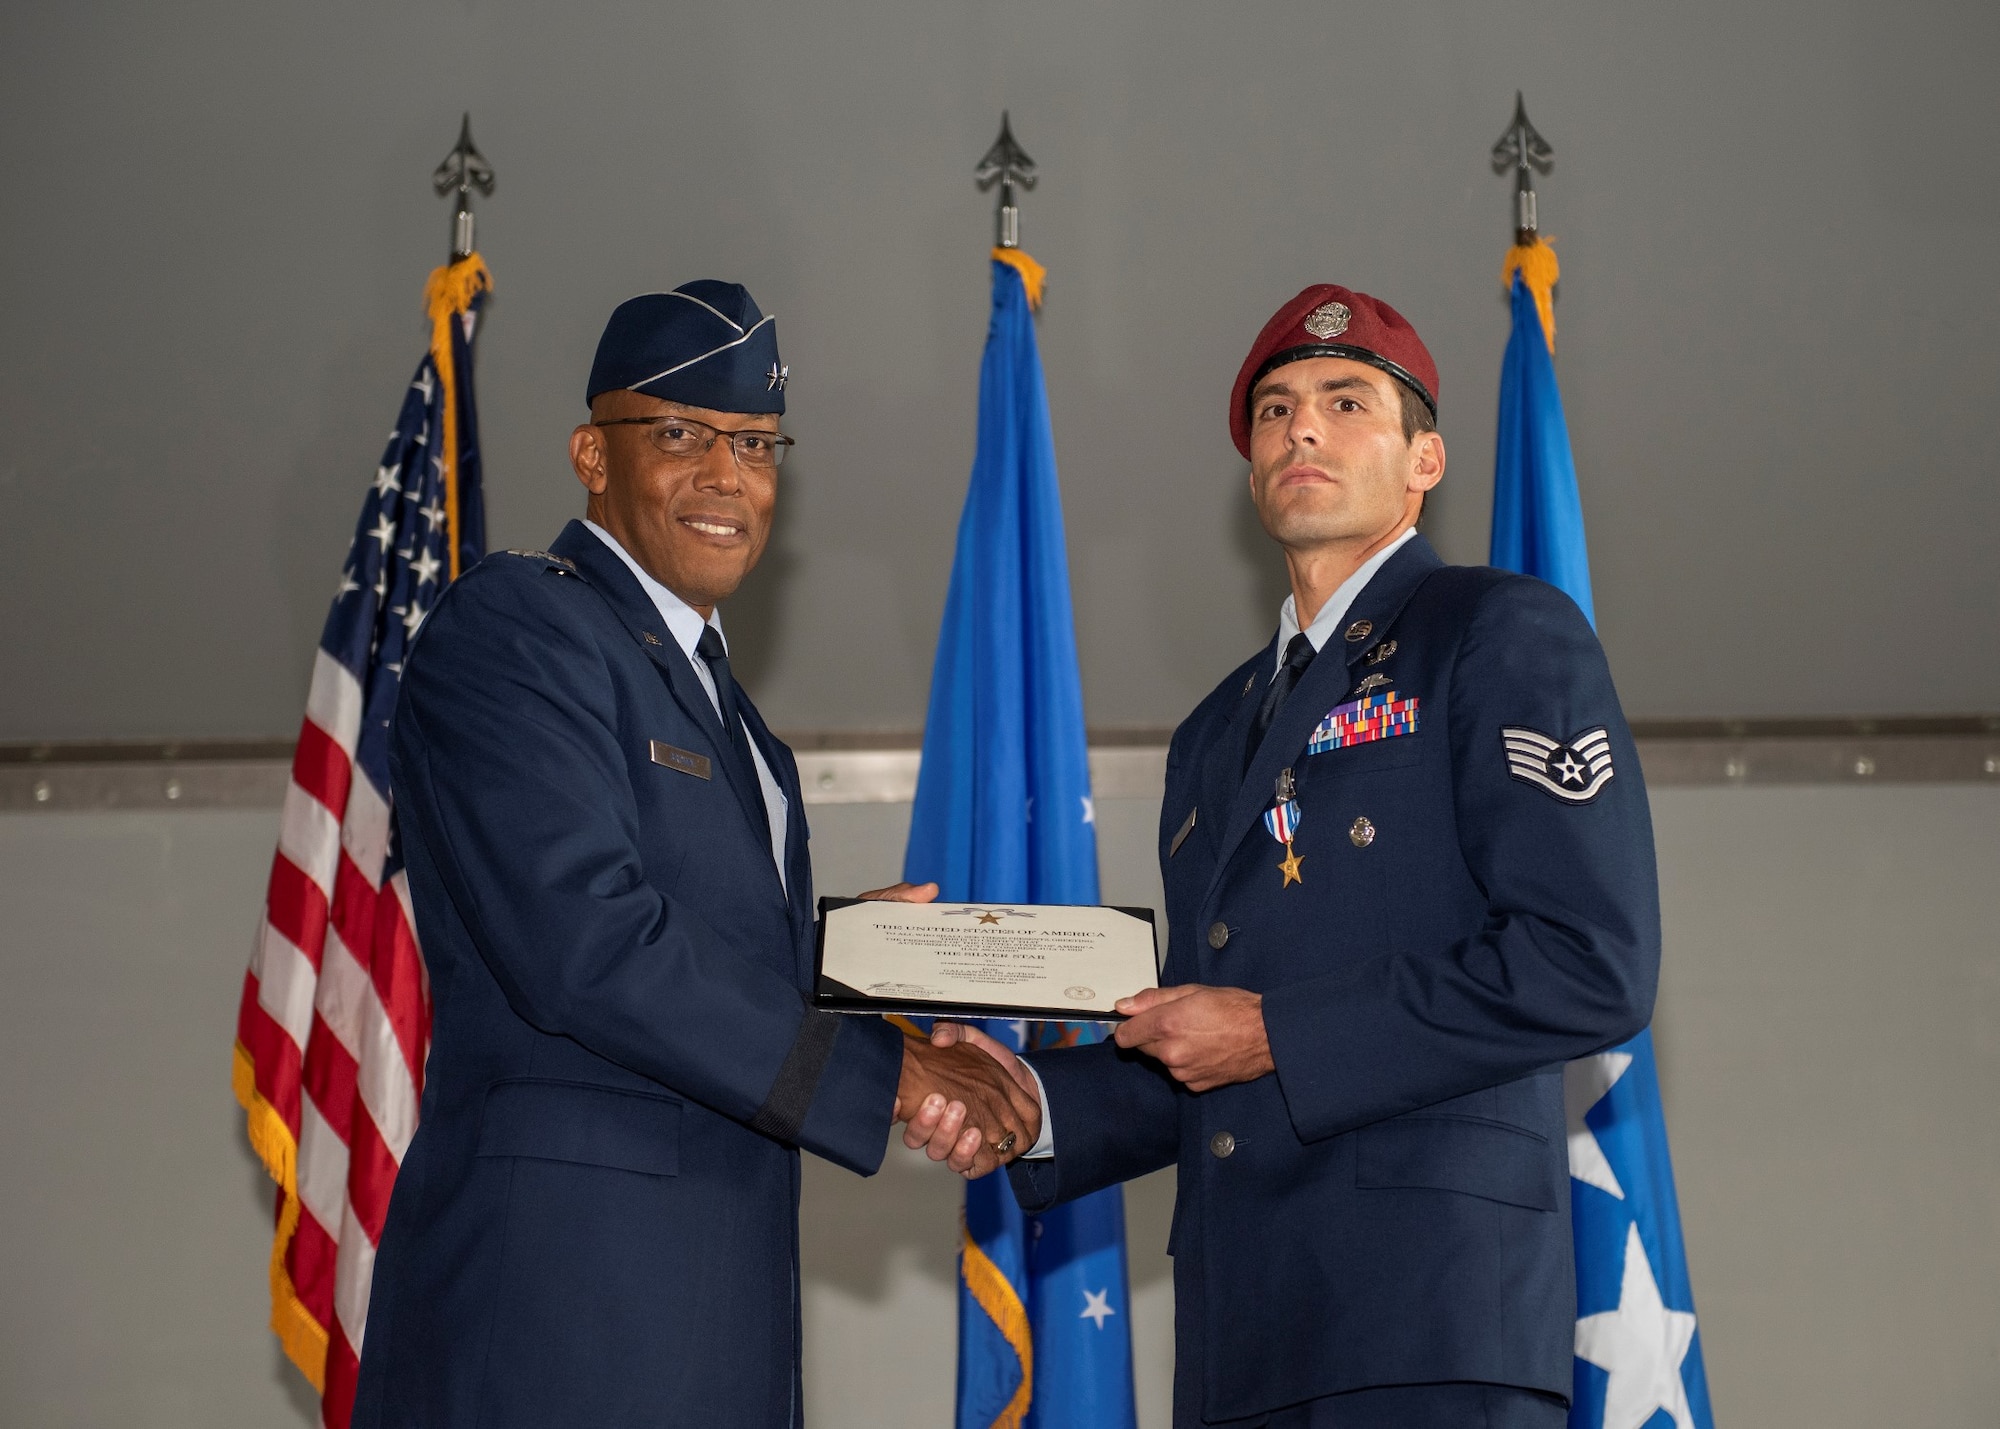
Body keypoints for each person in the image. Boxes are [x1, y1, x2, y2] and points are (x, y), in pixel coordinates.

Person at [919, 285, 1661, 1427]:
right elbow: (1204, 1038)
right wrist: (1032, 1098)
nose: (1298, 428)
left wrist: (1268, 1031)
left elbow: (1588, 963)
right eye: (1271, 410)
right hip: (1242, 1341)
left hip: (1428, 1323)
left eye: (1342, 400)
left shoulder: (1495, 631)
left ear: (1425, 458)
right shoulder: (1214, 732)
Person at [351, 281, 1037, 1429]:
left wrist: (853, 963)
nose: (728, 475)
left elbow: (696, 937)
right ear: (590, 454)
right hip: (553, 1325)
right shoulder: (516, 626)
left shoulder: (734, 718)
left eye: (757, 445)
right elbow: (588, 940)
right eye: (678, 434)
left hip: (716, 1329)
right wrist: (898, 1075)